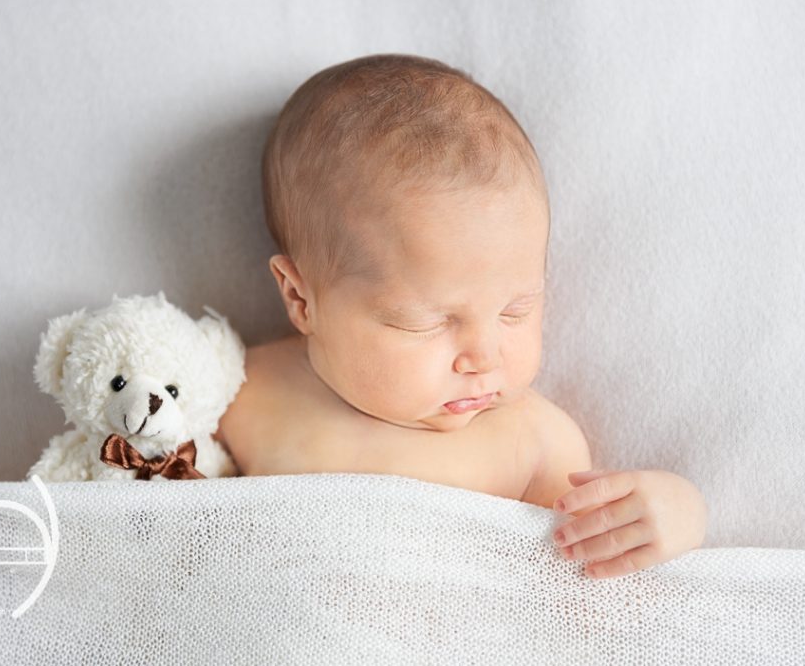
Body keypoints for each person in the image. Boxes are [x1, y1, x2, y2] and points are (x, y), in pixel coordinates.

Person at [217, 53, 707, 579]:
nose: (484, 356)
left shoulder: (532, 443)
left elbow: (585, 584)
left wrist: (677, 513)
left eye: (515, 310)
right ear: (299, 298)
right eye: (425, 322)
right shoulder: (240, 390)